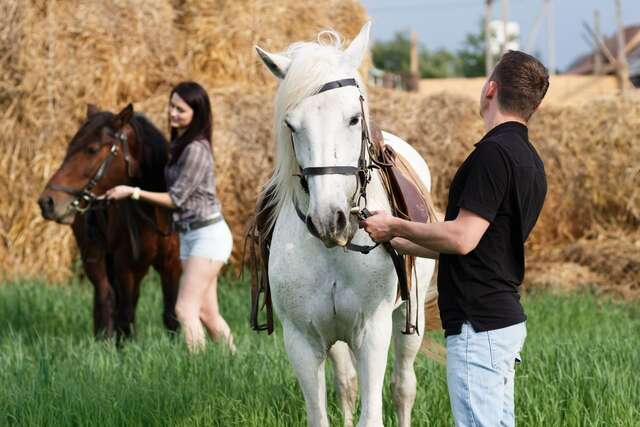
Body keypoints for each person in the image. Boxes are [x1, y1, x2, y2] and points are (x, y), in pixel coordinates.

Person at [361, 50, 549, 426]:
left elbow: (462, 238)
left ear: (490, 89)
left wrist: (396, 225)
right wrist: (392, 239)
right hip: (499, 320)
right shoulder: (529, 159)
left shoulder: (492, 156)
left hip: (478, 326)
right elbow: (475, 246)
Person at [105, 81, 236, 353]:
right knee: (207, 314)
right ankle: (234, 367)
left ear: (196, 114)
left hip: (208, 236)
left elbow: (176, 198)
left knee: (184, 309)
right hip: (191, 235)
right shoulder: (180, 145)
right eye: (171, 106)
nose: (172, 113)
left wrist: (133, 192)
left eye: (181, 109)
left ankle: (198, 377)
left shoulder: (196, 150)